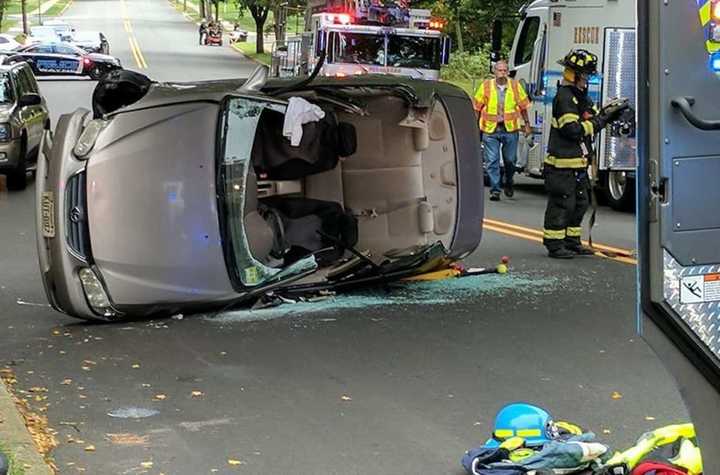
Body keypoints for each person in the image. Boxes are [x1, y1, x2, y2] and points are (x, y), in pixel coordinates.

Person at [542, 48, 628, 259]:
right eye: (586, 75)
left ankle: (572, 241)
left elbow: (593, 116)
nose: (588, 79)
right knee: (563, 203)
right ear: (575, 75)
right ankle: (554, 244)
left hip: (578, 164)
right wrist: (600, 121)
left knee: (580, 203)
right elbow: (572, 130)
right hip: (561, 165)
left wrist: (610, 112)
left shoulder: (580, 97)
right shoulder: (564, 98)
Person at [474, 60, 532, 201]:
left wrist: (527, 124)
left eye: (505, 70)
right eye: (499, 70)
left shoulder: (515, 86)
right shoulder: (486, 86)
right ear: (494, 71)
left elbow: (523, 106)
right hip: (490, 130)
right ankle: (495, 190)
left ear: (507, 72)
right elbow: (477, 108)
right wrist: (474, 127)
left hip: (510, 129)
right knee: (492, 161)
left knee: (511, 160)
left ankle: (509, 180)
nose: (502, 73)